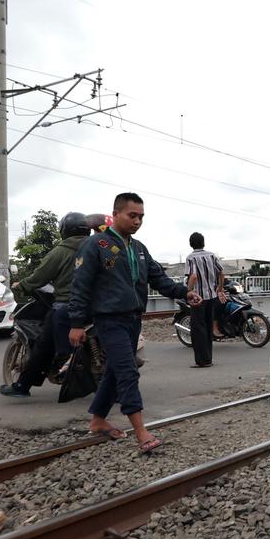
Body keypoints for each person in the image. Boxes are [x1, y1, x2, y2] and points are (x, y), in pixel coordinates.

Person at [68, 193, 201, 451]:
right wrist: (76, 323)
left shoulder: (138, 248)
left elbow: (159, 279)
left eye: (141, 216)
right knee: (128, 371)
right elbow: (80, 285)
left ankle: (97, 420)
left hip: (132, 319)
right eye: (132, 215)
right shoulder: (96, 245)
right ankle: (141, 433)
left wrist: (184, 292)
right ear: (116, 214)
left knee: (116, 371)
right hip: (109, 320)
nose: (137, 221)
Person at [0, 212, 93, 398]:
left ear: (64, 231)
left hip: (68, 305)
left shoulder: (62, 250)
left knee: (44, 344)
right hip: (99, 306)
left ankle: (23, 385)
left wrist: (23, 285)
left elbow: (41, 276)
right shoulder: (98, 247)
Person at [184, 232, 225, 368]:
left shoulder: (191, 258)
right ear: (203, 242)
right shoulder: (211, 255)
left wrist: (188, 291)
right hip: (212, 296)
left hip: (198, 298)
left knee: (198, 329)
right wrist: (219, 289)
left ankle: (202, 361)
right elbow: (221, 272)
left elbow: (193, 276)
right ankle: (209, 359)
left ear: (191, 244)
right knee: (208, 327)